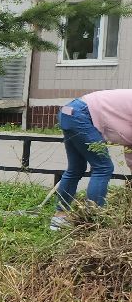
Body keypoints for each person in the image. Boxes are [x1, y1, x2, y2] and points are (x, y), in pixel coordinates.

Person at [53, 89, 132, 229]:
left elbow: (129, 147)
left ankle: (59, 217)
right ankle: (92, 220)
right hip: (81, 115)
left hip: (69, 111)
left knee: (75, 168)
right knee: (103, 167)